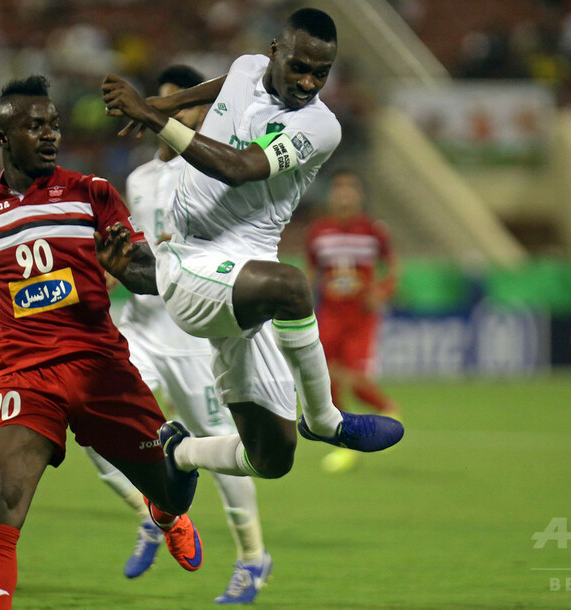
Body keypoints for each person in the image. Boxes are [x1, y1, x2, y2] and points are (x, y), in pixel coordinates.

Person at [99, 7, 403, 487]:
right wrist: (165, 104)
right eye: (298, 67)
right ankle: (325, 419)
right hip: (193, 259)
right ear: (274, 52)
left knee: (272, 456)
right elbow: (230, 83)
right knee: (292, 287)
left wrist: (152, 117)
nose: (307, 83)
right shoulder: (246, 67)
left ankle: (179, 453)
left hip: (247, 280)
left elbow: (238, 168)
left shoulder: (320, 127)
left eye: (320, 73)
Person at [0, 75, 202, 610]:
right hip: (25, 375)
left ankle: (166, 511)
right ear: (3, 136)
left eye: (54, 125)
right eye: (36, 126)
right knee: (1, 504)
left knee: (173, 488)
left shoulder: (92, 193)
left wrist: (125, 267)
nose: (51, 135)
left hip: (100, 366)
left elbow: (146, 275)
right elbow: (0, 284)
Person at [84, 65, 273, 604]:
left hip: (194, 337)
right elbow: (131, 248)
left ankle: (253, 557)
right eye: (158, 103)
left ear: (200, 114)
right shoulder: (139, 179)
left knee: (220, 449)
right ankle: (154, 513)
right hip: (140, 330)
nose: (163, 113)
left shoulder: (215, 173)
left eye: (178, 104)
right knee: (94, 424)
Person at [305, 169, 401, 473]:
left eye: (350, 187)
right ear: (331, 194)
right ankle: (344, 442)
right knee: (329, 379)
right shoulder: (319, 231)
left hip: (360, 317)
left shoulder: (373, 230)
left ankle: (388, 410)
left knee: (354, 378)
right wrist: (304, 303)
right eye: (339, 187)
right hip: (330, 315)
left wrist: (383, 291)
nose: (345, 193)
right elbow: (311, 271)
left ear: (359, 194)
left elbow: (392, 266)